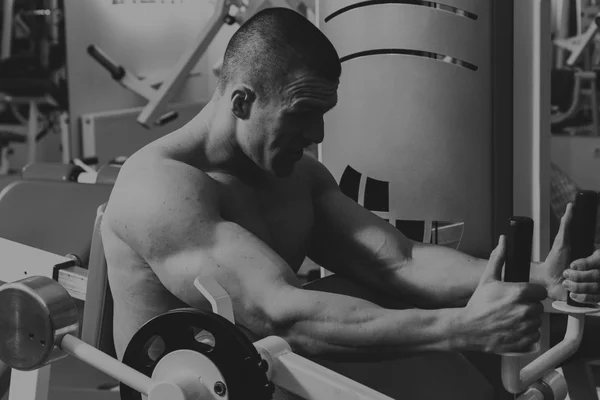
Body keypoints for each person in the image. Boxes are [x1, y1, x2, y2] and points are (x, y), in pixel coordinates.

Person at [101, 7, 600, 398]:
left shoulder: (299, 177)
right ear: (241, 102)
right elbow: (278, 313)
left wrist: (538, 276)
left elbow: (400, 261)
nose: (317, 134)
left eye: (324, 114)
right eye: (303, 114)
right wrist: (461, 328)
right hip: (186, 390)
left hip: (272, 380)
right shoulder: (159, 188)